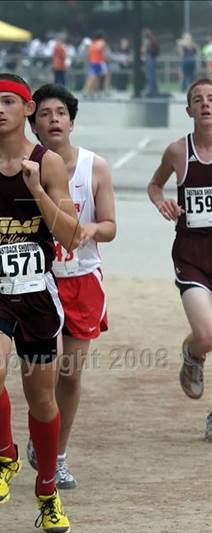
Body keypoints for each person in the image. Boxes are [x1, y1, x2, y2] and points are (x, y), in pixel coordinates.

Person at [0, 73, 81, 533]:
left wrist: (38, 190)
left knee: (41, 398)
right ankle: (6, 454)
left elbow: (69, 234)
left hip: (35, 292)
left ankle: (47, 490)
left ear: (27, 109)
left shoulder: (48, 163)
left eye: (9, 101)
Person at [26, 83, 116, 487]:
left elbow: (111, 228)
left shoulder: (94, 167)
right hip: (40, 279)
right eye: (45, 113)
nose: (54, 119)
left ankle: (58, 454)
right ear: (34, 125)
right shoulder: (25, 168)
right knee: (46, 370)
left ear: (72, 121)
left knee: (71, 374)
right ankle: (42, 438)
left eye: (60, 112)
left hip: (82, 280)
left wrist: (91, 227)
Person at [147, 78, 212, 442]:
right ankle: (192, 352)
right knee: (207, 333)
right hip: (192, 255)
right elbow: (155, 185)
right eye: (198, 100)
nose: (206, 105)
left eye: (211, 99)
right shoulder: (177, 151)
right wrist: (162, 201)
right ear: (188, 111)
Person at [83, 32, 108, 96]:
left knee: (95, 77)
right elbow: (102, 51)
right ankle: (87, 91)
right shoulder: (102, 42)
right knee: (94, 77)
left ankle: (93, 92)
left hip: (92, 61)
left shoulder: (92, 43)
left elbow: (89, 53)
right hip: (98, 61)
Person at [142, 29, 160, 97]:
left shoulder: (149, 41)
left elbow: (144, 50)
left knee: (150, 75)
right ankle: (154, 89)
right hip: (152, 58)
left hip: (150, 57)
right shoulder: (153, 39)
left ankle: (151, 89)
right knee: (152, 74)